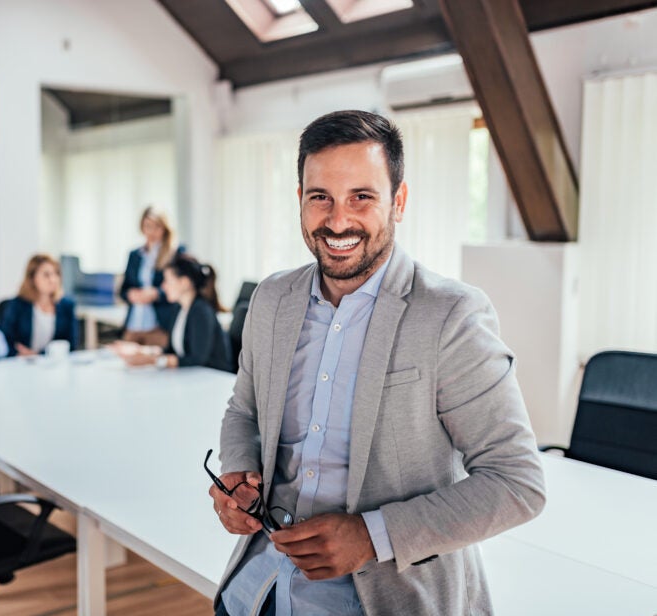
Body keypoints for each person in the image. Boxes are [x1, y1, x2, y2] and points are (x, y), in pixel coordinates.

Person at [208, 110, 546, 616]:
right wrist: (237, 473)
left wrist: (372, 536)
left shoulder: (450, 315)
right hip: (257, 589)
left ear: (399, 201)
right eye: (320, 197)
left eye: (361, 197)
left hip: (388, 598)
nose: (338, 221)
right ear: (299, 200)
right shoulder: (272, 298)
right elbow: (244, 410)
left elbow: (517, 482)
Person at [121, 254, 231, 372]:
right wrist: (141, 351)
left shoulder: (200, 311)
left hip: (213, 377)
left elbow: (198, 359)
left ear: (184, 282)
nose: (163, 286)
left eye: (167, 280)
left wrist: (154, 361)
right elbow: (172, 350)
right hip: (193, 376)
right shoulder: (178, 308)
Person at [119, 206, 182, 348]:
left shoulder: (175, 253)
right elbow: (123, 290)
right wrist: (130, 295)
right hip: (134, 325)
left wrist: (156, 294)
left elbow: (182, 288)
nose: (151, 232)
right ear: (142, 227)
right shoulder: (135, 255)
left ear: (165, 228)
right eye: (148, 226)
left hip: (159, 327)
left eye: (157, 227)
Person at [0, 254, 78, 356]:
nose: (53, 279)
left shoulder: (67, 306)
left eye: (56, 274)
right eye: (46, 275)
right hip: (20, 363)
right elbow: (3, 342)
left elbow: (71, 345)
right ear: (32, 278)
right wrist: (19, 354)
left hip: (52, 364)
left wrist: (38, 354)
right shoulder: (17, 305)